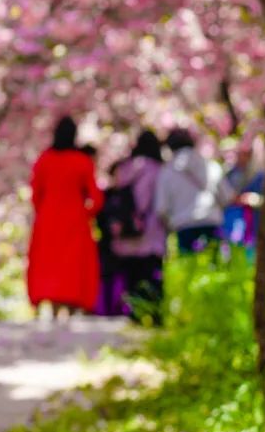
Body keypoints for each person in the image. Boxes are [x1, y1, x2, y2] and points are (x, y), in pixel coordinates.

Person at [27, 116, 103, 318]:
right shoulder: (82, 161)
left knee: (49, 263)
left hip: (48, 219)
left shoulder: (44, 160)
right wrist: (84, 213)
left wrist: (44, 212)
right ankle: (70, 305)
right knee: (71, 265)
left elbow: (35, 194)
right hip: (75, 220)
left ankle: (51, 305)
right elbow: (96, 198)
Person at [107, 129, 166, 324]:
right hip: (150, 231)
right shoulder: (156, 169)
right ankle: (155, 315)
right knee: (152, 276)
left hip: (126, 233)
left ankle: (134, 313)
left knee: (131, 276)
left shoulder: (124, 169)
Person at [156, 127, 229, 254]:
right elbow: (227, 197)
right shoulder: (210, 165)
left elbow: (161, 208)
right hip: (211, 222)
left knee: (191, 269)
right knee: (214, 269)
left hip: (184, 227)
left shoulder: (167, 172)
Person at [219, 138, 265, 252]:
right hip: (233, 218)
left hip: (254, 221)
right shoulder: (230, 173)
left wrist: (253, 199)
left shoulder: (260, 176)